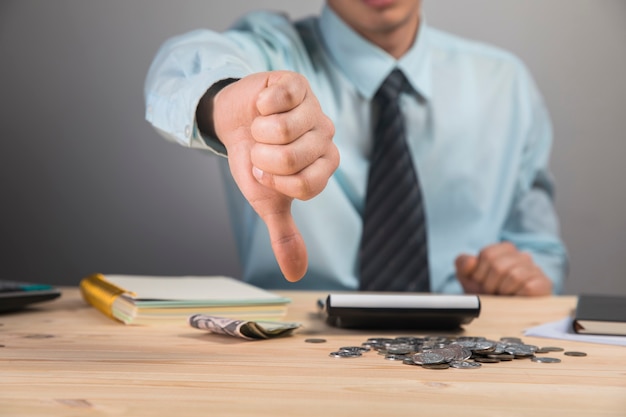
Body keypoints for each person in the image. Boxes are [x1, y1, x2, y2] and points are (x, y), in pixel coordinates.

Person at [144, 0, 568, 295]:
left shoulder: (505, 84)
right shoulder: (271, 53)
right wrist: (222, 100)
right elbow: (182, 67)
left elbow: (541, 253)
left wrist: (523, 279)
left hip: (462, 358)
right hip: (293, 354)